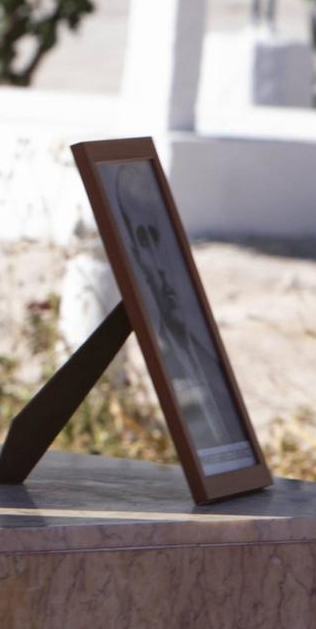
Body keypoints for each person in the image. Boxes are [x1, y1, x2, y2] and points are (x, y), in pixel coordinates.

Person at [110, 163, 248, 450]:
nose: (158, 255)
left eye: (157, 237)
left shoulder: (205, 354)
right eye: (143, 240)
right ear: (134, 253)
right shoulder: (168, 350)